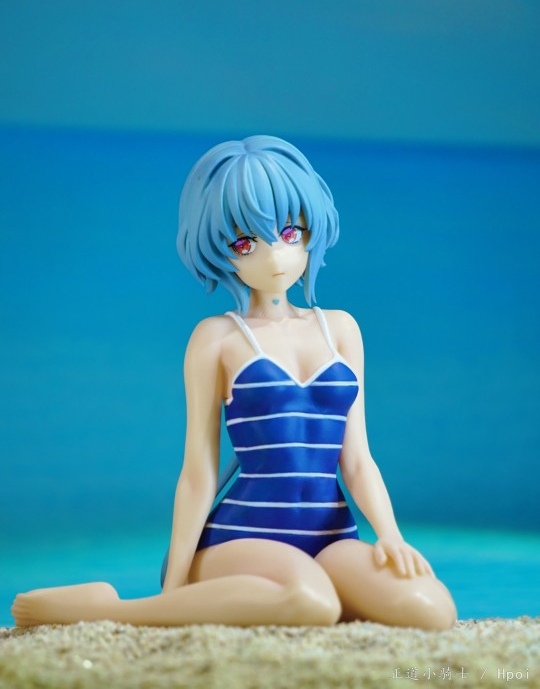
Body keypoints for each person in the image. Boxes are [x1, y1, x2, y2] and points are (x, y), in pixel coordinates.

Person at [12, 136, 457, 630]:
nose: (275, 256)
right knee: (310, 603)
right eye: (246, 243)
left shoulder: (342, 330)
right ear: (222, 251)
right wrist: (174, 583)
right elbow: (198, 472)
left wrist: (390, 534)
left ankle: (282, 596)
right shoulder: (217, 338)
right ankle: (110, 610)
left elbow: (356, 459)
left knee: (431, 610)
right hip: (242, 539)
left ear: (310, 231)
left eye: (289, 232)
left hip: (332, 539)